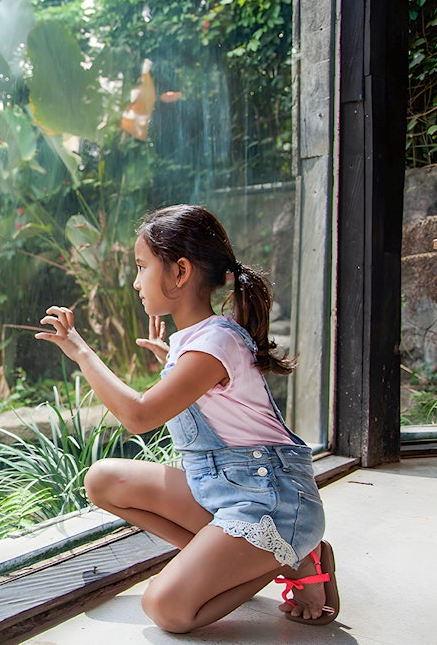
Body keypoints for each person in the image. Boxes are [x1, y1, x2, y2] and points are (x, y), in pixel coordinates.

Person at [35, 204, 339, 633]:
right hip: (220, 491)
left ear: (179, 272)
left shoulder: (213, 342)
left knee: (168, 609)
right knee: (102, 480)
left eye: (141, 267)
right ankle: (250, 559)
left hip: (272, 500)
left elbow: (140, 417)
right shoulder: (194, 341)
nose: (136, 282)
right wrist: (170, 363)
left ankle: (292, 559)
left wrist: (82, 352)